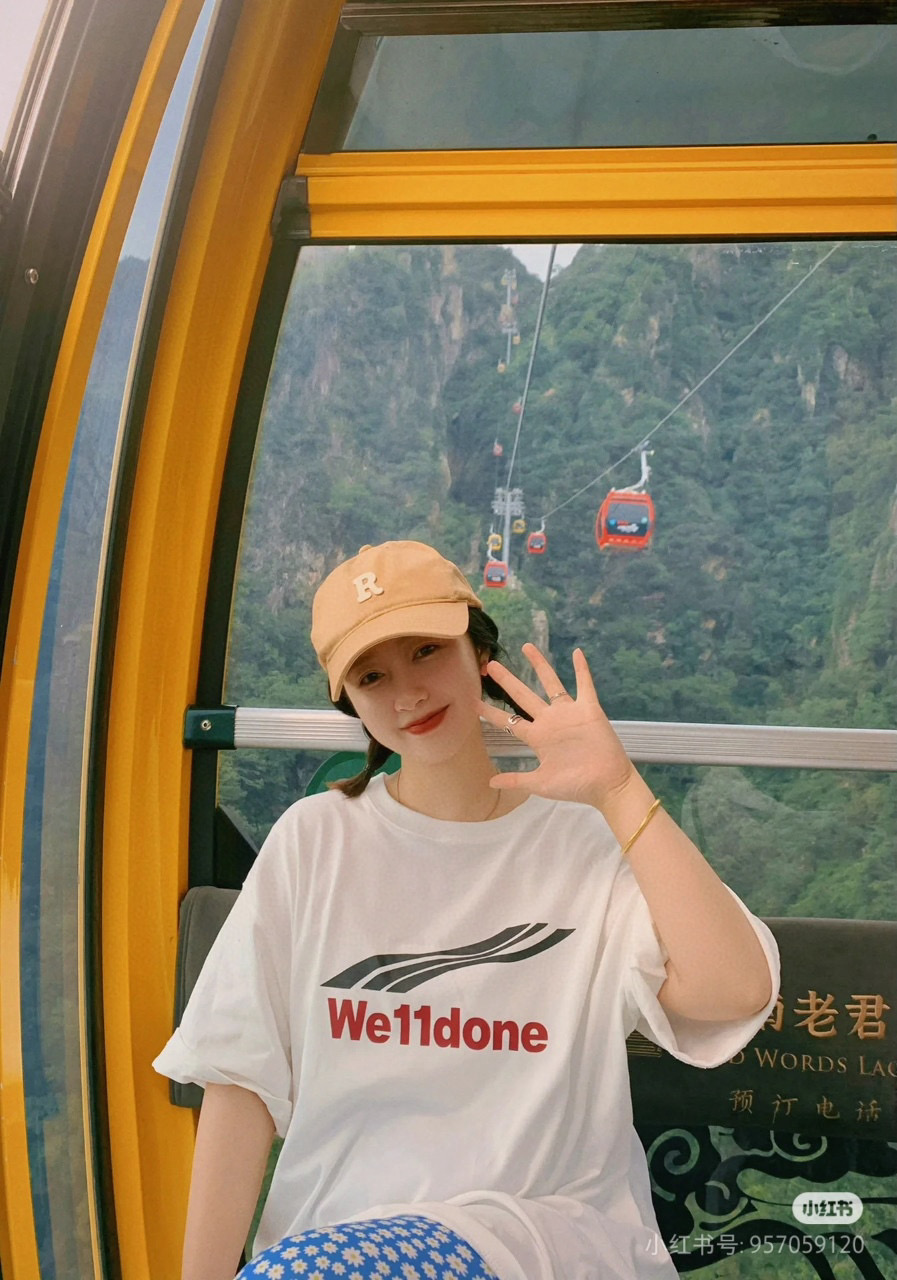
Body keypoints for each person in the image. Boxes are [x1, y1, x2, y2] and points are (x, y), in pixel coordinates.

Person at [153, 539, 779, 1280]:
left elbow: (733, 991)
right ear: (349, 702)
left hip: (540, 1245)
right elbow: (240, 1080)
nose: (407, 694)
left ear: (479, 651)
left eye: (426, 651)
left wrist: (617, 790)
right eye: (372, 676)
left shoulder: (582, 843)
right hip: (336, 1246)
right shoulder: (313, 842)